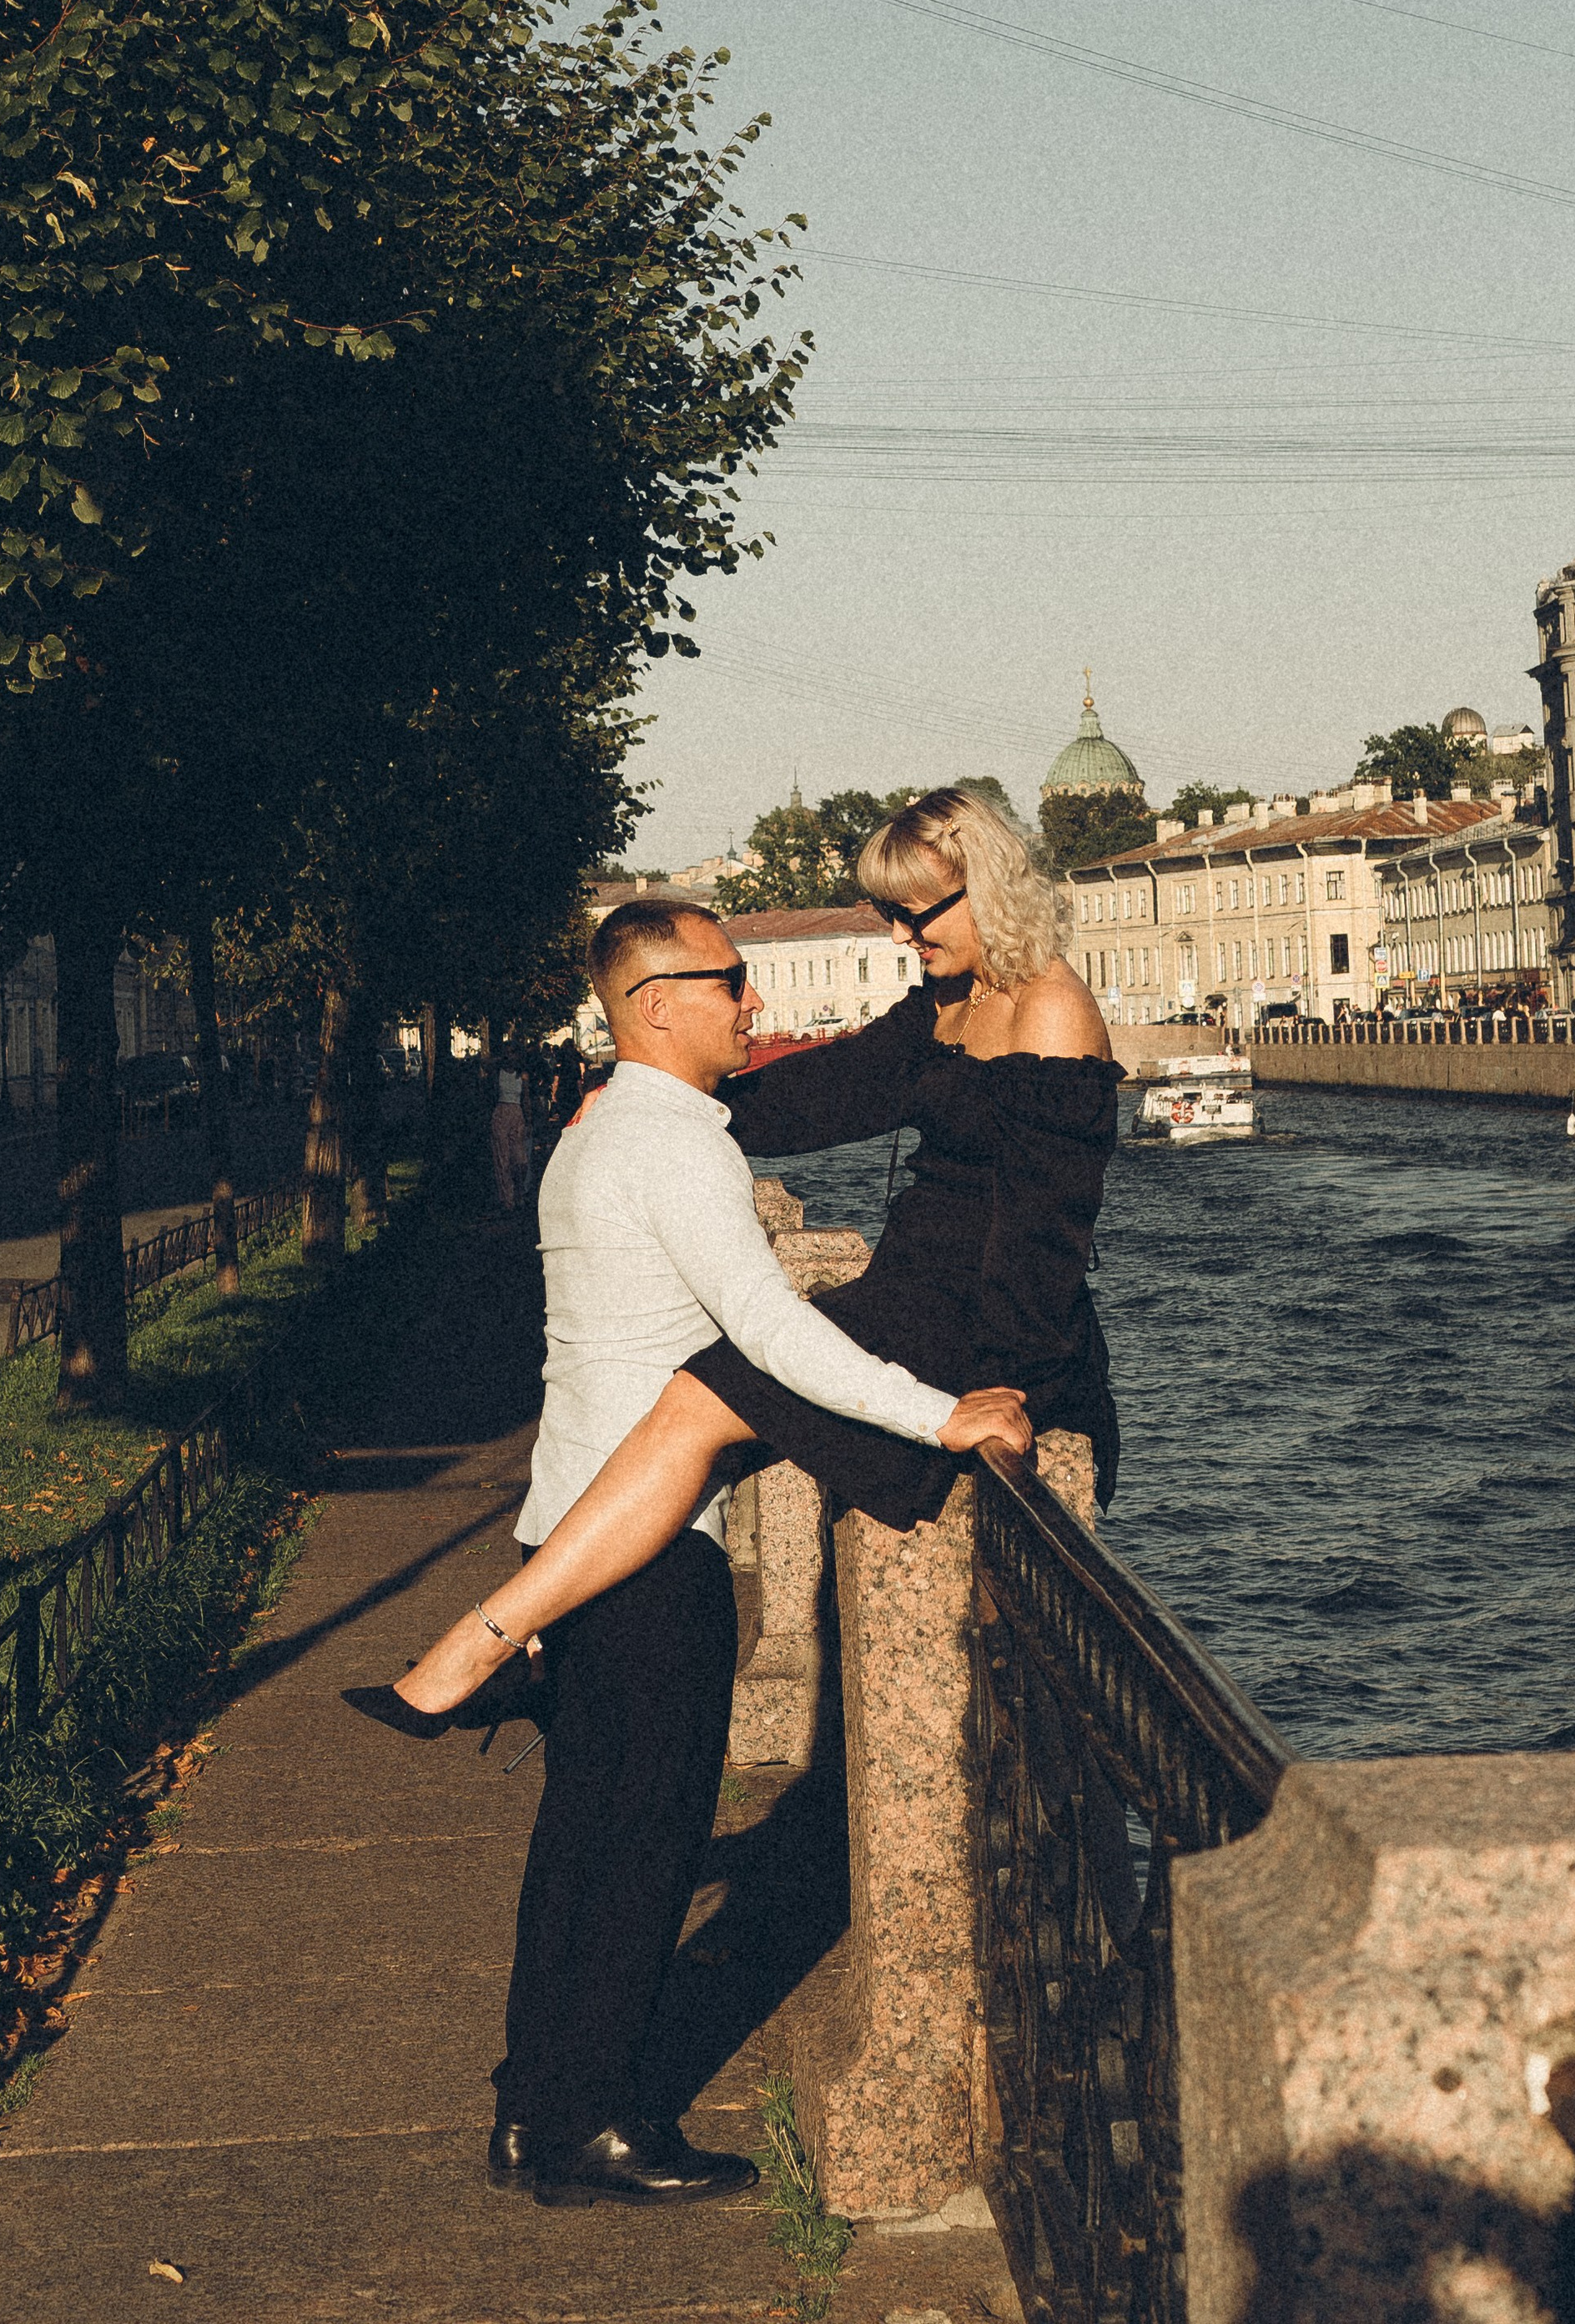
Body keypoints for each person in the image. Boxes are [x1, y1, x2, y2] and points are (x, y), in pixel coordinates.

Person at [345, 890, 1029, 2208]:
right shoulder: (676, 1149)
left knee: (580, 1845)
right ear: (657, 1004)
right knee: (643, 1849)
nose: (752, 1004)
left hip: (573, 1526)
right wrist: (938, 1412)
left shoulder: (603, 1139)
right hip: (652, 1558)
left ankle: (530, 2108)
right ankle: (598, 2126)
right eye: (730, 982)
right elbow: (771, 1334)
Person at [379, 785, 1119, 1727]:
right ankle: (504, 1646)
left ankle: (475, 1651)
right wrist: (659, 1095)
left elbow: (1049, 1234)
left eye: (915, 911)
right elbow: (820, 1095)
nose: (900, 933)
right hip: (912, 1286)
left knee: (695, 1405)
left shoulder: (1051, 1009)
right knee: (691, 1406)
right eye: (890, 912)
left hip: (980, 1317)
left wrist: (1000, 1388)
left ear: (989, 888)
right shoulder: (946, 1000)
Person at [491, 1051, 529, 1212]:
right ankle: (508, 1199)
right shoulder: (497, 1074)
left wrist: (529, 1120)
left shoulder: (522, 1076)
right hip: (501, 1112)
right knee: (503, 1158)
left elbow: (526, 1098)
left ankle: (519, 1192)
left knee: (520, 1160)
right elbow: (485, 1063)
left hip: (517, 1113)